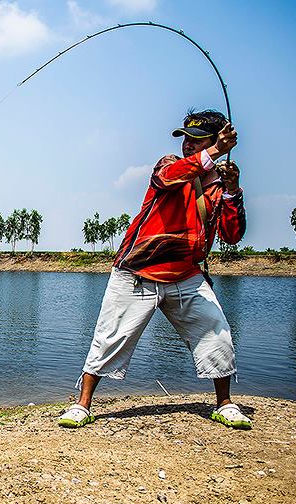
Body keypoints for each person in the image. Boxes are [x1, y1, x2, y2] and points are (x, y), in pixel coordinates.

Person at [59, 109, 252, 430]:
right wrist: (213, 151)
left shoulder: (219, 188)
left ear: (217, 140)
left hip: (186, 273)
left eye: (198, 140)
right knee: (109, 336)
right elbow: (167, 178)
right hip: (139, 269)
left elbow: (233, 235)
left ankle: (224, 404)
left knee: (217, 332)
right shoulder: (169, 166)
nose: (189, 145)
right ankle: (83, 405)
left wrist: (232, 190)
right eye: (187, 139)